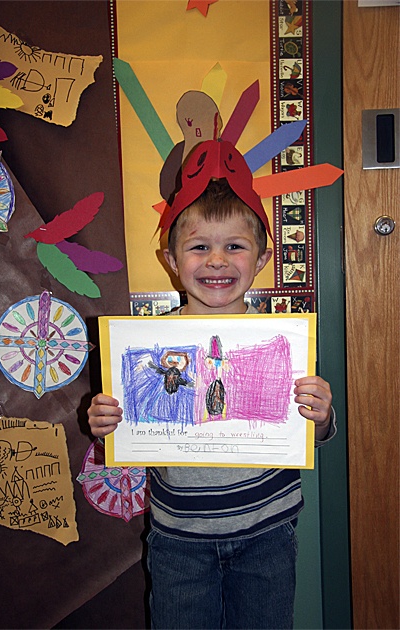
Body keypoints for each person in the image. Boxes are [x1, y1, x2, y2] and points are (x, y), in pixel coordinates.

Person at [88, 143, 335, 629]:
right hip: (178, 536)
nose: (217, 260)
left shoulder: (282, 342)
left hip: (267, 530)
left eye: (235, 246)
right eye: (200, 246)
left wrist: (322, 419)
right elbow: (127, 432)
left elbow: (311, 432)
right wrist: (105, 425)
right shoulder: (148, 345)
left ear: (261, 259)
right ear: (172, 261)